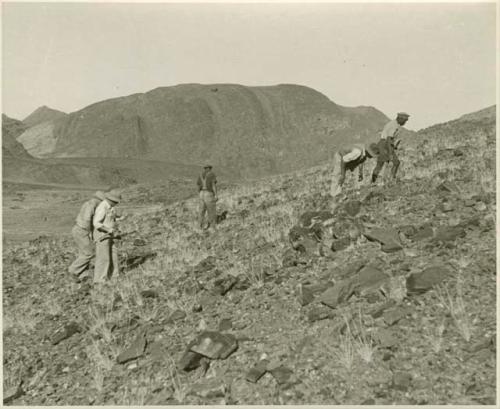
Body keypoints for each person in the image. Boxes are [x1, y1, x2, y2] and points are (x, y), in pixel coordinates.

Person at [68, 191, 106, 282]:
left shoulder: (90, 204)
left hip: (79, 230)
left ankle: (82, 275)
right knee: (89, 253)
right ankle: (73, 271)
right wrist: (90, 232)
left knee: (83, 253)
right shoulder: (92, 205)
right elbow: (87, 220)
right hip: (81, 231)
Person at [371, 112, 410, 183]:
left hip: (382, 144)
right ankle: (392, 179)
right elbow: (389, 139)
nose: (405, 123)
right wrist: (390, 153)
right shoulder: (394, 125)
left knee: (380, 164)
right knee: (396, 162)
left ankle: (373, 182)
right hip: (385, 144)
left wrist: (394, 146)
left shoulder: (394, 124)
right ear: (400, 119)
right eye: (404, 121)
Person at [93, 189, 122, 284]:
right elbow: (96, 223)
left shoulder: (111, 207)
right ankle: (100, 280)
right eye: (116, 201)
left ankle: (114, 276)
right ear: (111, 200)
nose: (117, 203)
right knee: (103, 257)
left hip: (111, 234)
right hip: (103, 235)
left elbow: (111, 218)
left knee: (114, 255)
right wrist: (109, 230)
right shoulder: (103, 207)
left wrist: (119, 218)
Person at [197, 165, 218, 230]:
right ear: (209, 168)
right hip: (208, 193)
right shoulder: (212, 174)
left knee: (201, 211)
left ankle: (200, 226)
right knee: (211, 210)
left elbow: (198, 185)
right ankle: (212, 227)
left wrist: (199, 193)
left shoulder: (200, 175)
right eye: (210, 168)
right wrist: (216, 194)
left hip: (201, 193)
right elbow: (213, 185)